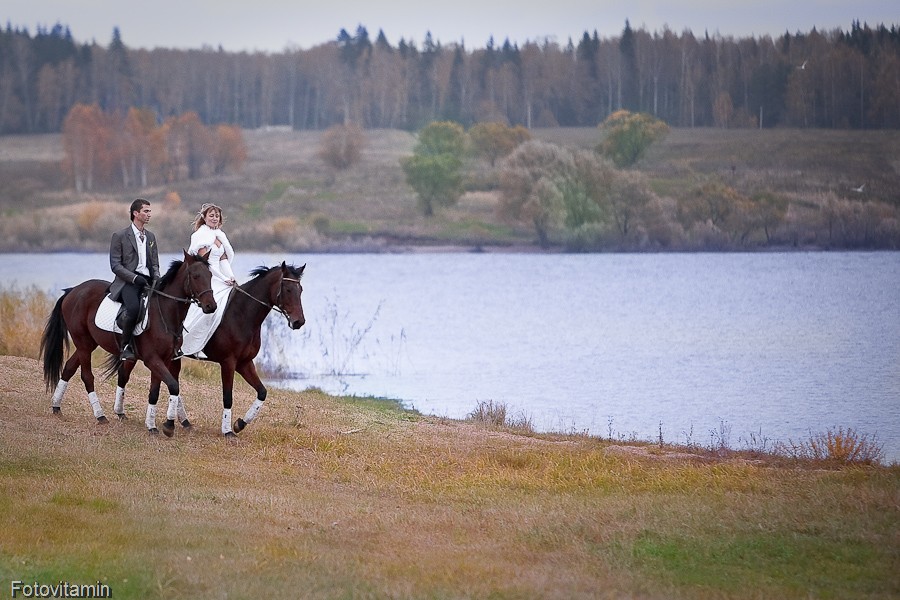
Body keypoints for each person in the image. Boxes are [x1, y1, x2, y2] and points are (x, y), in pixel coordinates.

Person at [180, 203, 236, 358]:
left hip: (220, 277)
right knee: (211, 307)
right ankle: (195, 345)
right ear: (204, 218)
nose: (214, 218)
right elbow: (205, 264)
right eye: (211, 215)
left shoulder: (220, 235)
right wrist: (223, 278)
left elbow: (223, 259)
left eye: (217, 216)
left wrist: (231, 277)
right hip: (206, 278)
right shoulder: (200, 236)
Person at [109, 198, 161, 361]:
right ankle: (125, 346)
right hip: (128, 282)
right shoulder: (119, 236)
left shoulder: (151, 237)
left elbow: (155, 263)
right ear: (135, 213)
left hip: (148, 281)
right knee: (133, 308)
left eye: (150, 211)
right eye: (146, 211)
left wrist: (157, 277)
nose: (149, 214)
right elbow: (115, 265)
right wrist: (134, 278)